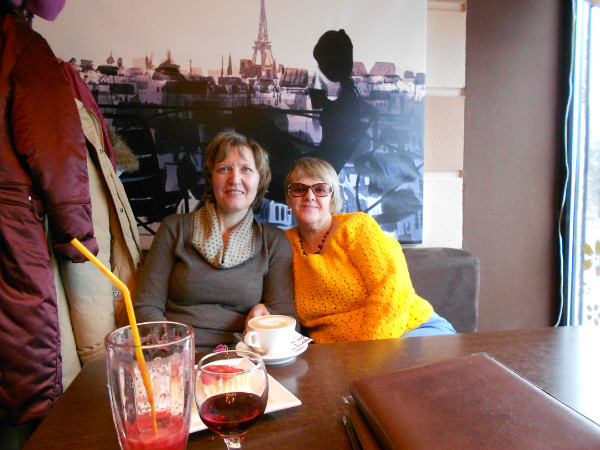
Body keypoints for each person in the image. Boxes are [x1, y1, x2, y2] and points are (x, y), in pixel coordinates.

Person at [0, 0, 99, 448]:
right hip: (12, 231)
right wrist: (77, 236)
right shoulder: (22, 46)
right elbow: (59, 151)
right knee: (22, 360)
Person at [134, 131, 295, 352]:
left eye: (246, 169)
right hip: (175, 354)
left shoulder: (274, 242)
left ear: (260, 181)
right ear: (211, 178)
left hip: (244, 358)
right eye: (224, 169)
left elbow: (286, 319)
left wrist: (266, 313)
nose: (234, 179)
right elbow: (146, 307)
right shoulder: (173, 228)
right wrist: (172, 350)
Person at [284, 157, 456, 343]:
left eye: (320, 190)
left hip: (411, 329)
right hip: (343, 353)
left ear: (332, 200)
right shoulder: (282, 244)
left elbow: (392, 290)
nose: (309, 196)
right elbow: (273, 300)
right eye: (299, 189)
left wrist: (368, 353)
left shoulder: (356, 227)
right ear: (288, 199)